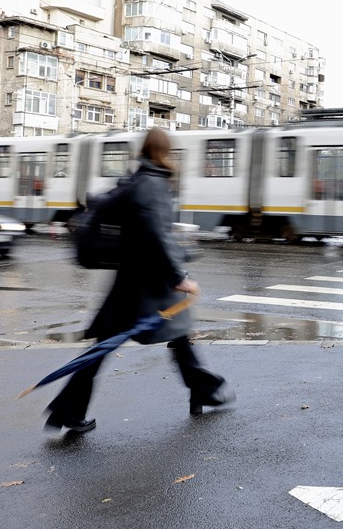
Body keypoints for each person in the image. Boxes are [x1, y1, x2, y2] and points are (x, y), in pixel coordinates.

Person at [44, 129, 232, 433]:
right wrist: (180, 277)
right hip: (147, 284)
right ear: (165, 152)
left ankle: (69, 409)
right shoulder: (152, 183)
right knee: (173, 334)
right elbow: (156, 235)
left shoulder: (137, 179)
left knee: (117, 344)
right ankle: (203, 389)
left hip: (133, 282)